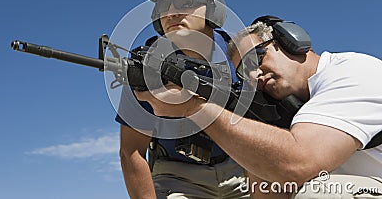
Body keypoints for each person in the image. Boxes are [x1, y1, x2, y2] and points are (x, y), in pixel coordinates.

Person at [136, 17, 382, 198]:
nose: (253, 75)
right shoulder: (289, 108)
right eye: (244, 71)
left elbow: (300, 163)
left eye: (256, 58)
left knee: (319, 193)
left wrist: (195, 109)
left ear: (290, 41)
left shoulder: (352, 72)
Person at [116, 0, 250, 198]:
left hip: (244, 167)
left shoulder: (242, 53)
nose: (171, 13)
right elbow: (131, 151)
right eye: (163, 8)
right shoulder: (144, 67)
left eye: (186, 2)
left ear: (213, 9)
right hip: (177, 177)